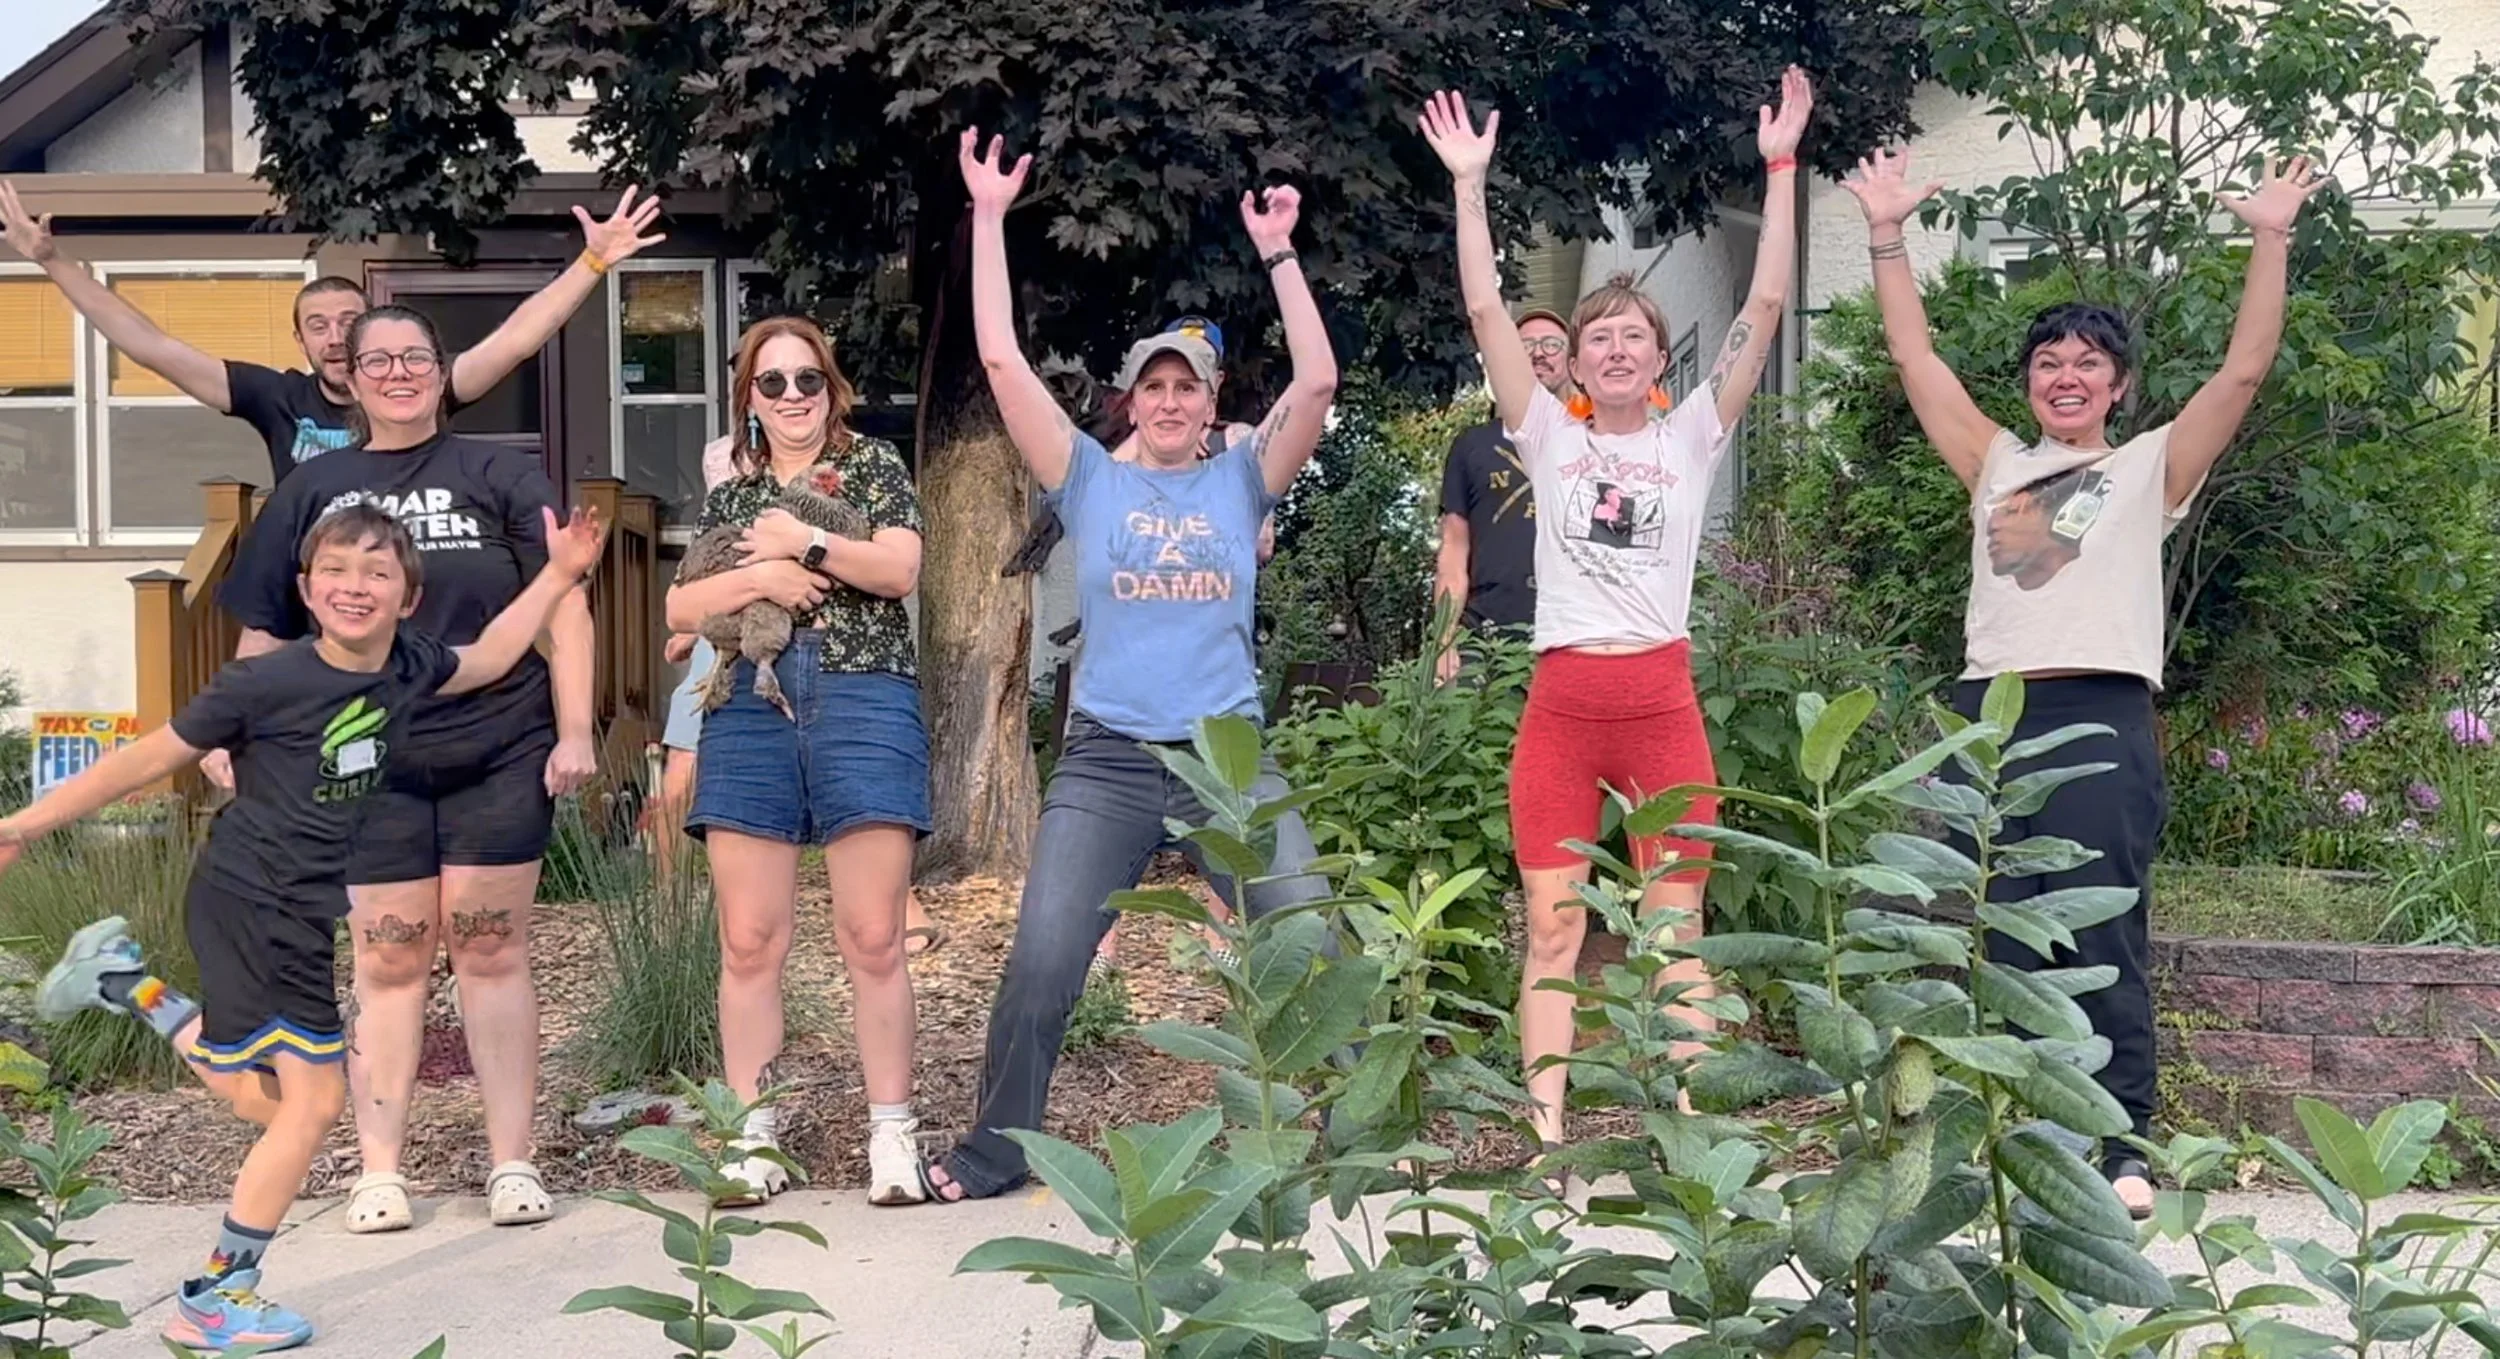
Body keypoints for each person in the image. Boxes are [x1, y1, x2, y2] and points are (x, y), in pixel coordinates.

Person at [1842, 146, 2327, 1216]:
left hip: (2101, 712)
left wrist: (2271, 233)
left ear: (2117, 386)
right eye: (2048, 363)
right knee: (1998, 928)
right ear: (2029, 384)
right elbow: (1915, 358)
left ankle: (2120, 1146)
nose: (2065, 378)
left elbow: (2244, 368)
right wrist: (1885, 232)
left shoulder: (2149, 465)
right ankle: (2017, 1133)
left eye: (2086, 366)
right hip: (1992, 716)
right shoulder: (1995, 463)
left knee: (2101, 927)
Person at [0, 499, 606, 1352]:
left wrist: (559, 569)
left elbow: (497, 653)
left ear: (408, 596)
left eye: (377, 572)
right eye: (337, 570)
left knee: (265, 1099)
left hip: (302, 906)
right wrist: (22, 826)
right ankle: (216, 1292)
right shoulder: (264, 681)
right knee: (314, 1104)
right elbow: (146, 757)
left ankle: (122, 980)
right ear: (306, 588)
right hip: (249, 899)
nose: (355, 585)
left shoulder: (409, 665)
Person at [921, 128, 1337, 1203]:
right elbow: (1003, 359)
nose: (1169, 400)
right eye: (1152, 385)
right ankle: (993, 1153)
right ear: (1130, 399)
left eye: (1187, 387)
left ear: (1209, 403)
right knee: (1044, 961)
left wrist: (1280, 254)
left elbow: (1320, 377)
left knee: (1309, 941)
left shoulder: (1244, 481)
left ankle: (1355, 1138)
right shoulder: (1087, 480)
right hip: (1106, 762)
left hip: (1226, 762)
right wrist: (986, 217)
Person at [1420, 71, 1811, 1173]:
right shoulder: (1546, 434)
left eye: (1636, 336)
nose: (1619, 350)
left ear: (1657, 353)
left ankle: (1688, 1133)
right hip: (1563, 703)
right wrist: (1468, 188)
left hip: (1657, 703)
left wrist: (1780, 167)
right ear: (1579, 364)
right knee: (1554, 923)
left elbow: (1764, 309)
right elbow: (1489, 310)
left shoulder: (1690, 436)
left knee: (1673, 932)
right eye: (1601, 340)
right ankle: (1541, 1133)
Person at [218, 305, 600, 1234]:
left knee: (489, 947)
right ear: (348, 373)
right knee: (389, 956)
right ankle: (379, 1170)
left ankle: (513, 1161)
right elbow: (268, 624)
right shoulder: (315, 486)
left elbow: (561, 603)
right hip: (361, 753)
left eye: (415, 357)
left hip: (500, 742)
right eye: (376, 358)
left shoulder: (500, 470)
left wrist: (576, 728)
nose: (397, 372)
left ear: (441, 369)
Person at [664, 315, 930, 1206]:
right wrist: (760, 580)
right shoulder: (730, 496)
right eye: (770, 383)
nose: (790, 399)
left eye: (805, 380)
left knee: (873, 933)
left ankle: (892, 1130)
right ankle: (752, 1135)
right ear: (748, 396)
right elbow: (681, 603)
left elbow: (897, 569)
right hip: (748, 703)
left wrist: (803, 545)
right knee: (749, 939)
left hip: (862, 692)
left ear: (831, 386)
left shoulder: (873, 468)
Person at [0, 181, 664, 488]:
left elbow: (519, 337)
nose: (336, 336)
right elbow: (150, 344)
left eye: (350, 321)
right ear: (300, 342)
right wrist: (54, 263)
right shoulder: (275, 397)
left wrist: (593, 262)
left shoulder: (418, 386)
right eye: (318, 326)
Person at [1432, 307, 1574, 683]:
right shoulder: (1472, 446)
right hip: (1487, 637)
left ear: (1573, 361)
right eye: (1524, 344)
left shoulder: (1592, 438)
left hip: (1576, 632)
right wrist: (1444, 642)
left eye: (1551, 344)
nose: (1538, 352)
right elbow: (1453, 549)